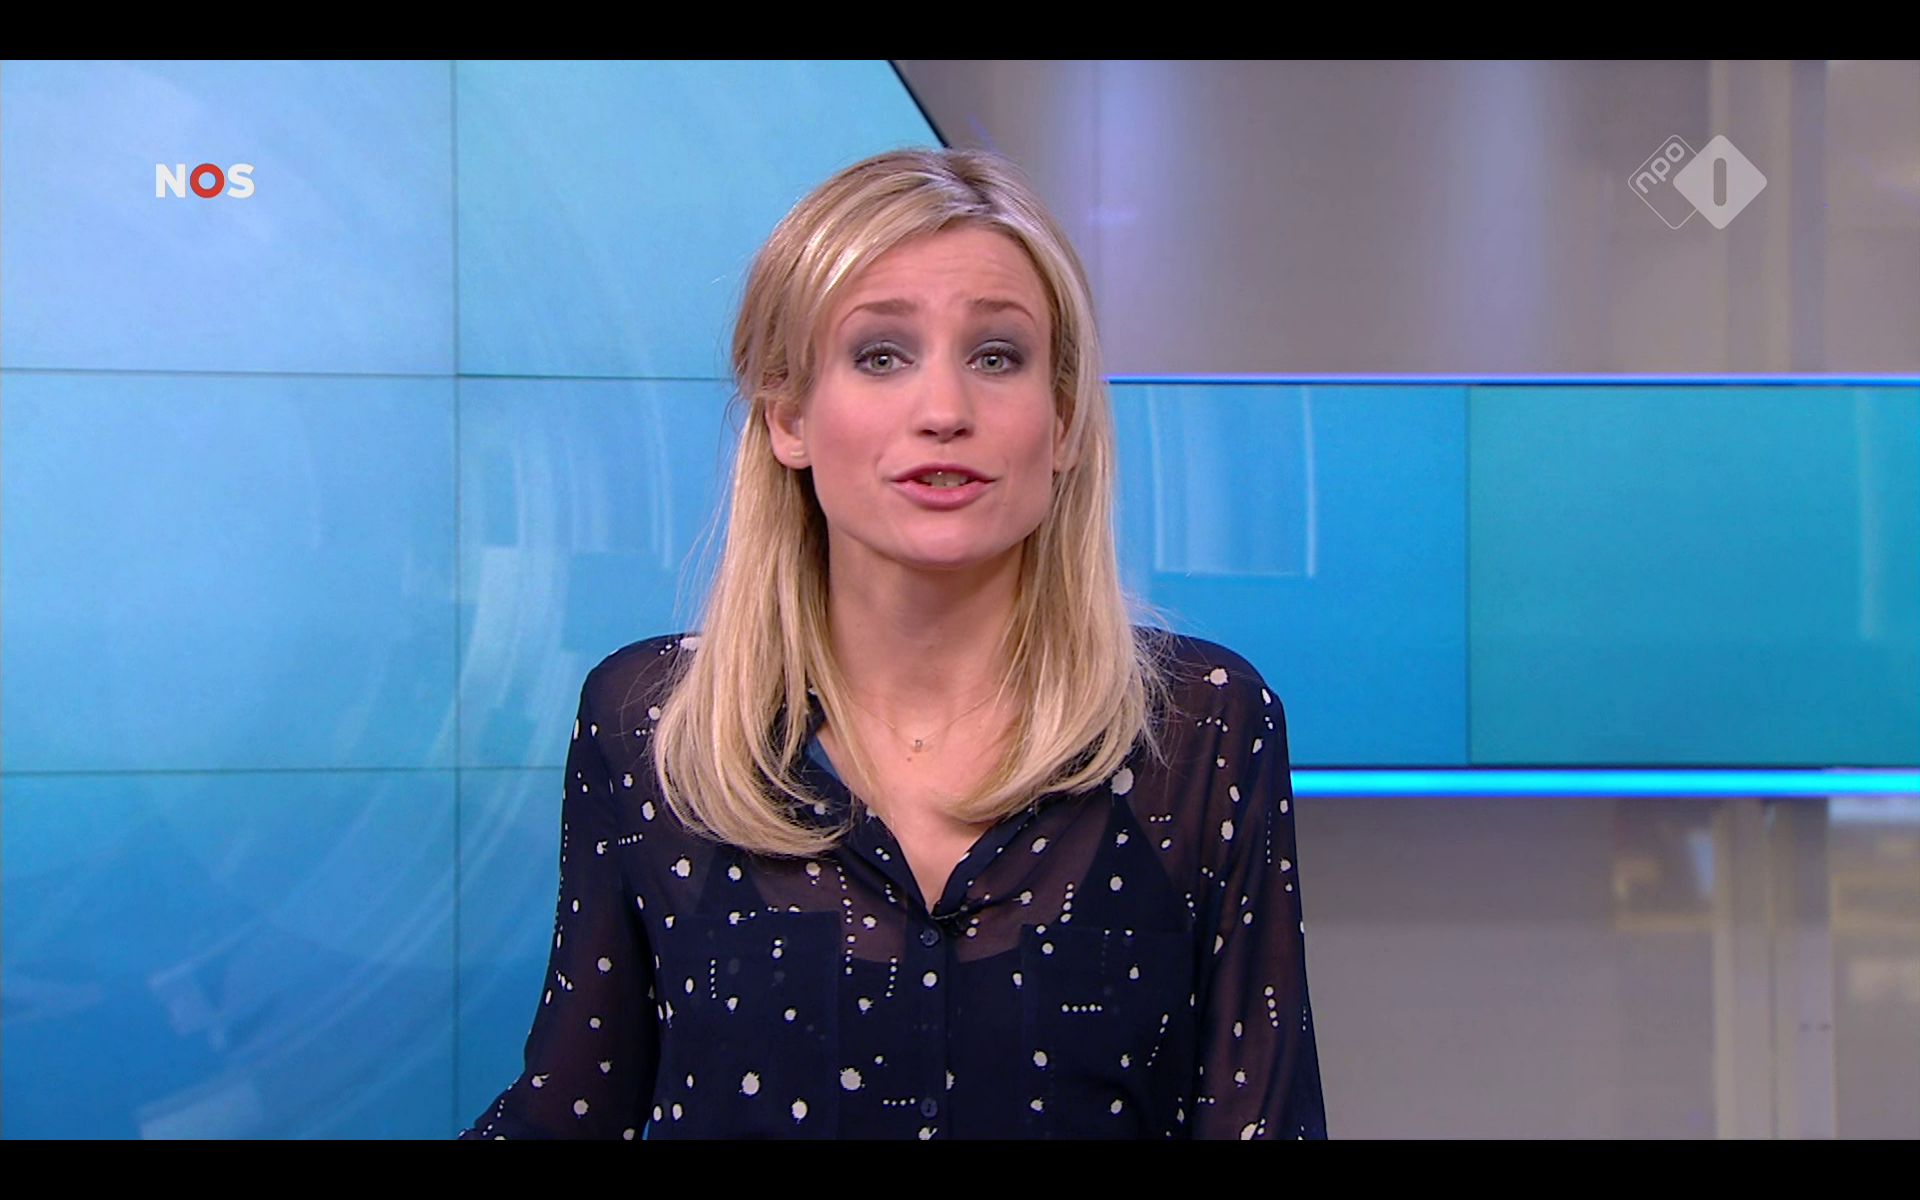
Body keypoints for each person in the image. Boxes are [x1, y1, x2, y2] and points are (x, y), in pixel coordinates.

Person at [459, 146, 1326, 1140]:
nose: (945, 412)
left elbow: (1264, 1122)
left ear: (1062, 422)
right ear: (788, 414)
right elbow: (572, 1109)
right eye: (881, 356)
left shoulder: (1204, 726)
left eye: (996, 357)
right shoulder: (649, 723)